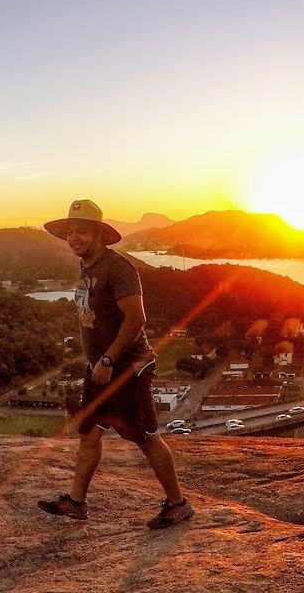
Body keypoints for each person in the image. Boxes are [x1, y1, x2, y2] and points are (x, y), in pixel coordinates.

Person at [36, 199, 194, 529]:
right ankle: (77, 503)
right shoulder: (88, 267)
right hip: (99, 367)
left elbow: (136, 318)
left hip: (126, 368)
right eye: (70, 231)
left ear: (99, 234)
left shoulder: (118, 269)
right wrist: (99, 361)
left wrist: (109, 358)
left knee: (147, 438)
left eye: (81, 230)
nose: (74, 237)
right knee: (90, 433)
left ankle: (177, 504)